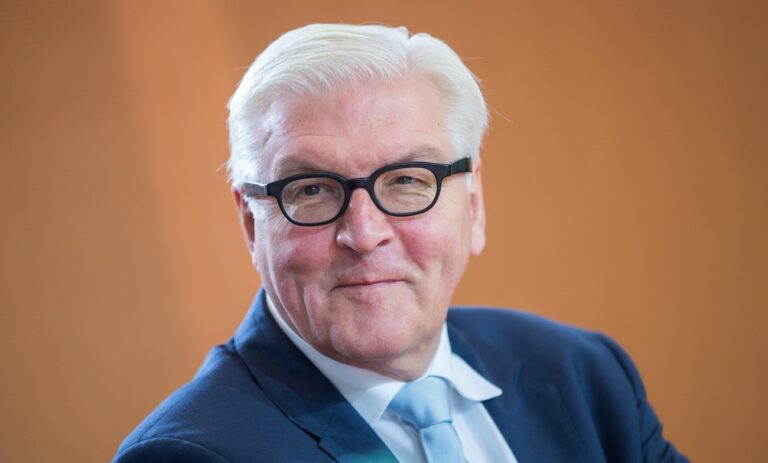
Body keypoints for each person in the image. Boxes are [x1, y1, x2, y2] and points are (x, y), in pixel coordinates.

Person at [114, 24, 689, 462]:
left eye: (408, 181)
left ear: (475, 203)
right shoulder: (193, 454)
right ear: (251, 222)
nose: (364, 235)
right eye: (312, 189)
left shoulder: (586, 377)